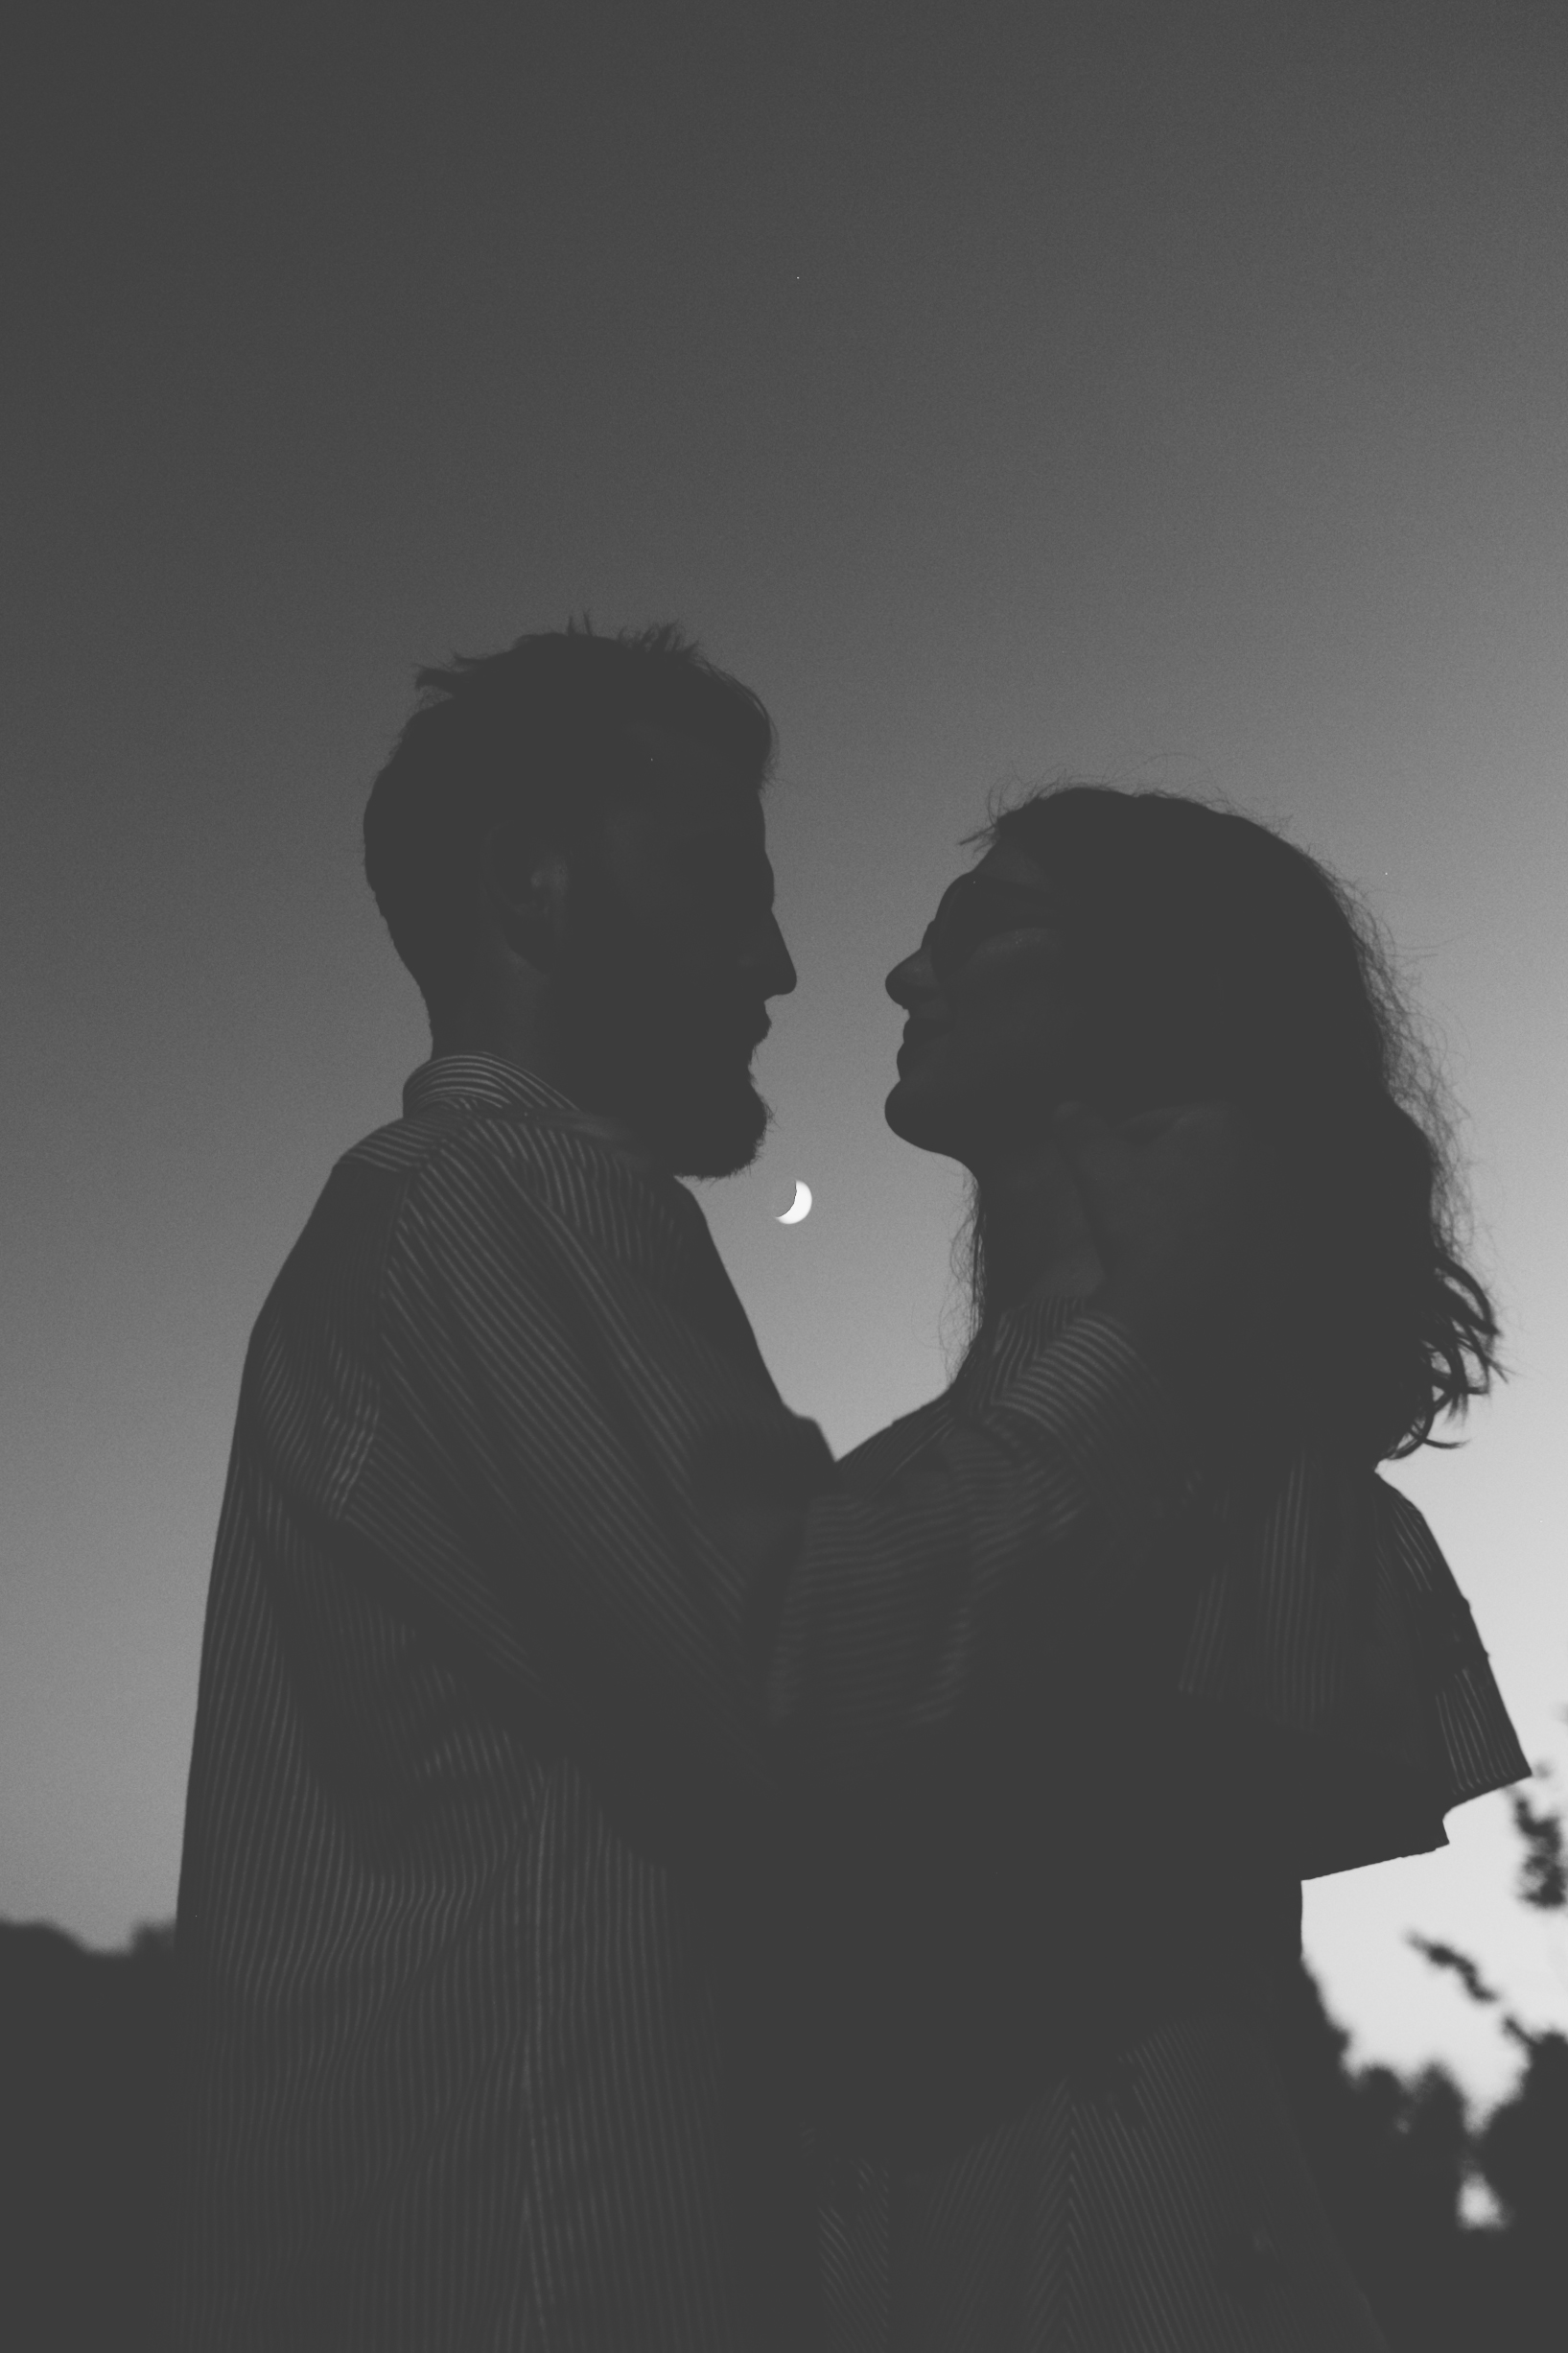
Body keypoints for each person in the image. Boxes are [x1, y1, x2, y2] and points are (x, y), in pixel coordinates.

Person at [169, 627, 1281, 2352]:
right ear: (533, 889)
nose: (780, 961)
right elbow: (789, 1673)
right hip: (542, 2269)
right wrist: (1136, 1338)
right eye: (716, 881)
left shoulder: (459, 1223)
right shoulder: (498, 1195)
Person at [809, 786, 1529, 2352]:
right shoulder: (908, 1493)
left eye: (974, 931)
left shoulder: (1253, 1488)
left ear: (1149, 990)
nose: (903, 978)